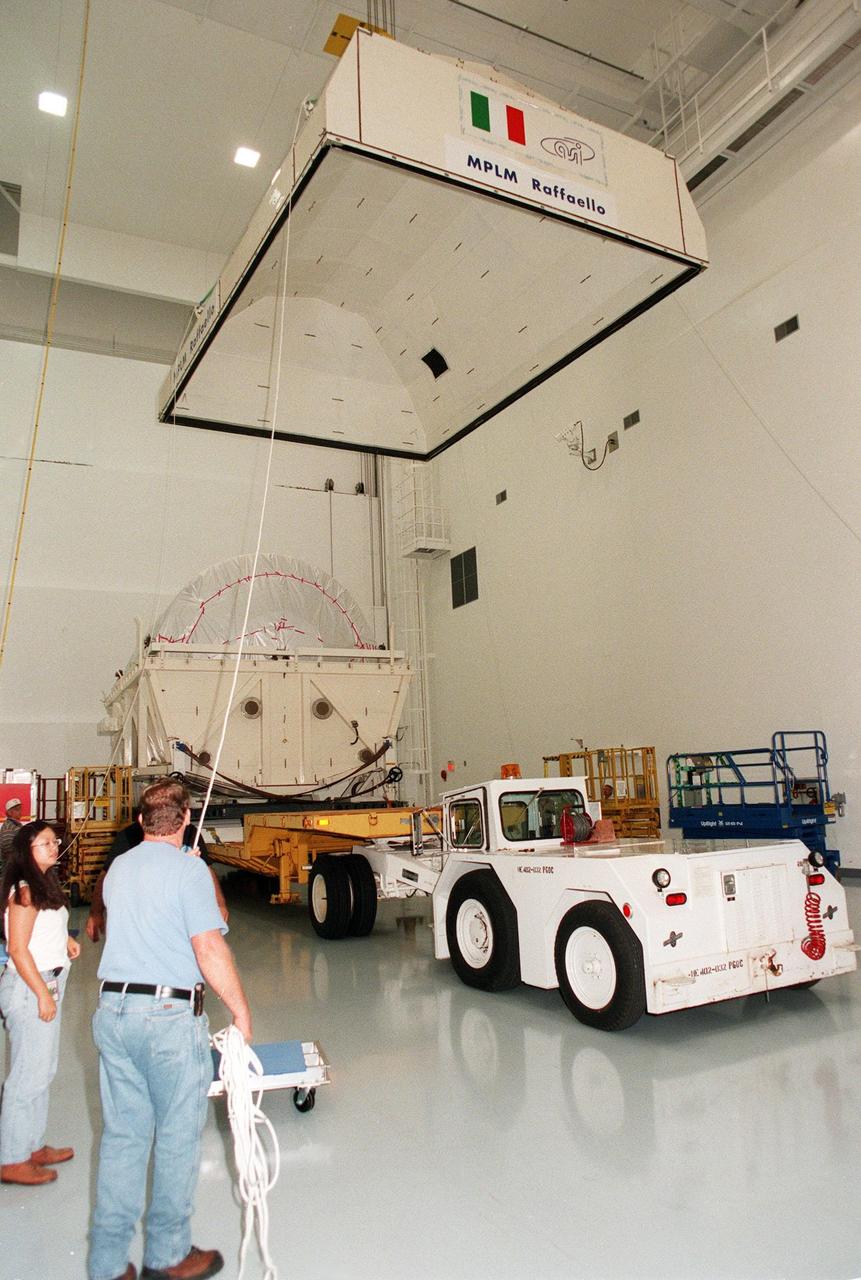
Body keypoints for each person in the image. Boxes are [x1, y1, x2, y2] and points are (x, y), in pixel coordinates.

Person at [89, 778, 252, 1280]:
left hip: (114, 1013)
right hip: (167, 1020)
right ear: (185, 821)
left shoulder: (118, 869)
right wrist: (240, 1013)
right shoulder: (189, 871)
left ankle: (107, 1263)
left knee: (123, 1138)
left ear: (141, 821)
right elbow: (209, 945)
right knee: (177, 1138)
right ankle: (167, 1255)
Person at [0, 820, 80, 1186]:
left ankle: (31, 1146)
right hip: (30, 988)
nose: (54, 846)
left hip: (49, 981)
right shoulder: (24, 891)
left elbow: (42, 930)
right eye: (46, 842)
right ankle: (11, 1158)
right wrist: (42, 994)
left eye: (54, 841)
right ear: (27, 850)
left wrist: (65, 942)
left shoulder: (43, 884)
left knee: (43, 1070)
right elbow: (17, 949)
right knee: (26, 1076)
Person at [86, 813, 228, 943]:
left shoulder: (190, 832)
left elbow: (207, 869)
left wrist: (220, 903)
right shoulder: (128, 836)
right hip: (143, 921)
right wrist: (95, 912)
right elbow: (106, 875)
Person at [0, 796, 24, 864]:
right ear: (9, 812)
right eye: (17, 810)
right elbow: (8, 850)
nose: (20, 812)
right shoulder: (8, 828)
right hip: (12, 865)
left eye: (20, 809)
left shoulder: (16, 825)